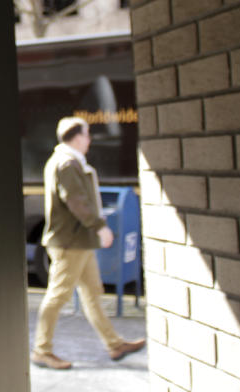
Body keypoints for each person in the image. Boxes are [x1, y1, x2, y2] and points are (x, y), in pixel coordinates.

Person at [31, 116, 145, 370]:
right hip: (71, 242)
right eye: (88, 134)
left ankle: (114, 344)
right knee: (58, 296)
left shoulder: (67, 161)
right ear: (78, 137)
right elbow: (76, 200)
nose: (90, 139)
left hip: (79, 242)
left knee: (92, 293)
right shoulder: (67, 163)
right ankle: (41, 350)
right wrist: (100, 226)